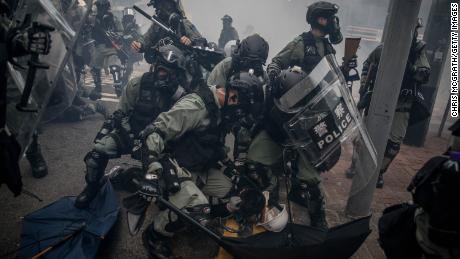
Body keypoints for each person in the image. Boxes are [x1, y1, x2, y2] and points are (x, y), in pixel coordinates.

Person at [139, 71, 265, 259]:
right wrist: (151, 173)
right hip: (173, 166)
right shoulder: (196, 106)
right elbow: (155, 132)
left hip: (199, 168)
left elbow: (212, 145)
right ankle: (155, 235)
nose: (242, 116)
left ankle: (195, 209)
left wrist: (232, 171)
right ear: (234, 97)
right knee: (198, 208)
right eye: (244, 110)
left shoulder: (221, 111)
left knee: (236, 194)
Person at [74, 45, 192, 208]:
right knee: (96, 155)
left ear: (177, 73)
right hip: (130, 133)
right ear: (155, 66)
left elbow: (181, 126)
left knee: (167, 184)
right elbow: (120, 114)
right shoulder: (138, 84)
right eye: (161, 69)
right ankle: (93, 187)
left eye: (169, 71)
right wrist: (132, 138)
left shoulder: (182, 97)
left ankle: (160, 190)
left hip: (158, 144)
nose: (163, 74)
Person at [349, 19, 431, 188]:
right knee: (363, 138)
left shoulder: (417, 51)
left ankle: (379, 172)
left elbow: (425, 75)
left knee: (393, 145)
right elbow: (367, 66)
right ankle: (357, 164)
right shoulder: (384, 48)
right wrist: (364, 87)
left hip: (402, 104)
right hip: (378, 98)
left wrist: (411, 69)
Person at [131, 0, 204, 55]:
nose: (160, 10)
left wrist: (190, 42)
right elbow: (147, 38)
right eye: (158, 6)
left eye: (164, 5)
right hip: (162, 65)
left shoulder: (182, 23)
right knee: (147, 75)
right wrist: (139, 44)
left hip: (181, 66)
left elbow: (200, 41)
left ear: (173, 6)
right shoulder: (157, 26)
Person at [87, 0, 123, 100]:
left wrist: (116, 36)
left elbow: (120, 31)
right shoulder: (94, 19)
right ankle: (98, 89)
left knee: (115, 67)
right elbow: (88, 27)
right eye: (100, 7)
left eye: (102, 7)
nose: (101, 9)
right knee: (95, 68)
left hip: (111, 47)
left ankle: (118, 86)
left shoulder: (113, 19)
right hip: (98, 47)